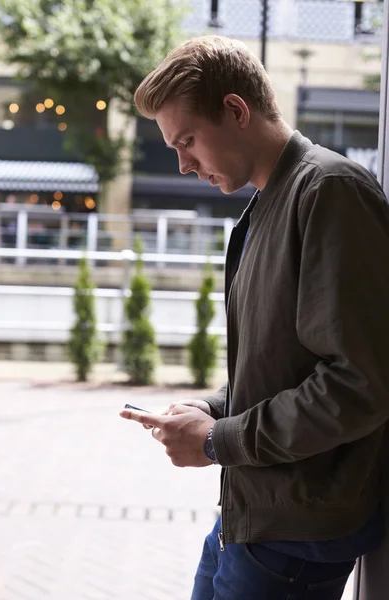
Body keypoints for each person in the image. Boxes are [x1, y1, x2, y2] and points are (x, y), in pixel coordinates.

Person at [120, 35, 389, 599]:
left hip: (295, 537)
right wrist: (210, 407)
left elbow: (358, 385)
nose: (184, 164)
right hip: (255, 516)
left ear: (237, 110)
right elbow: (286, 364)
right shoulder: (271, 201)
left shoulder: (330, 192)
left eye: (188, 141)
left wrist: (218, 440)